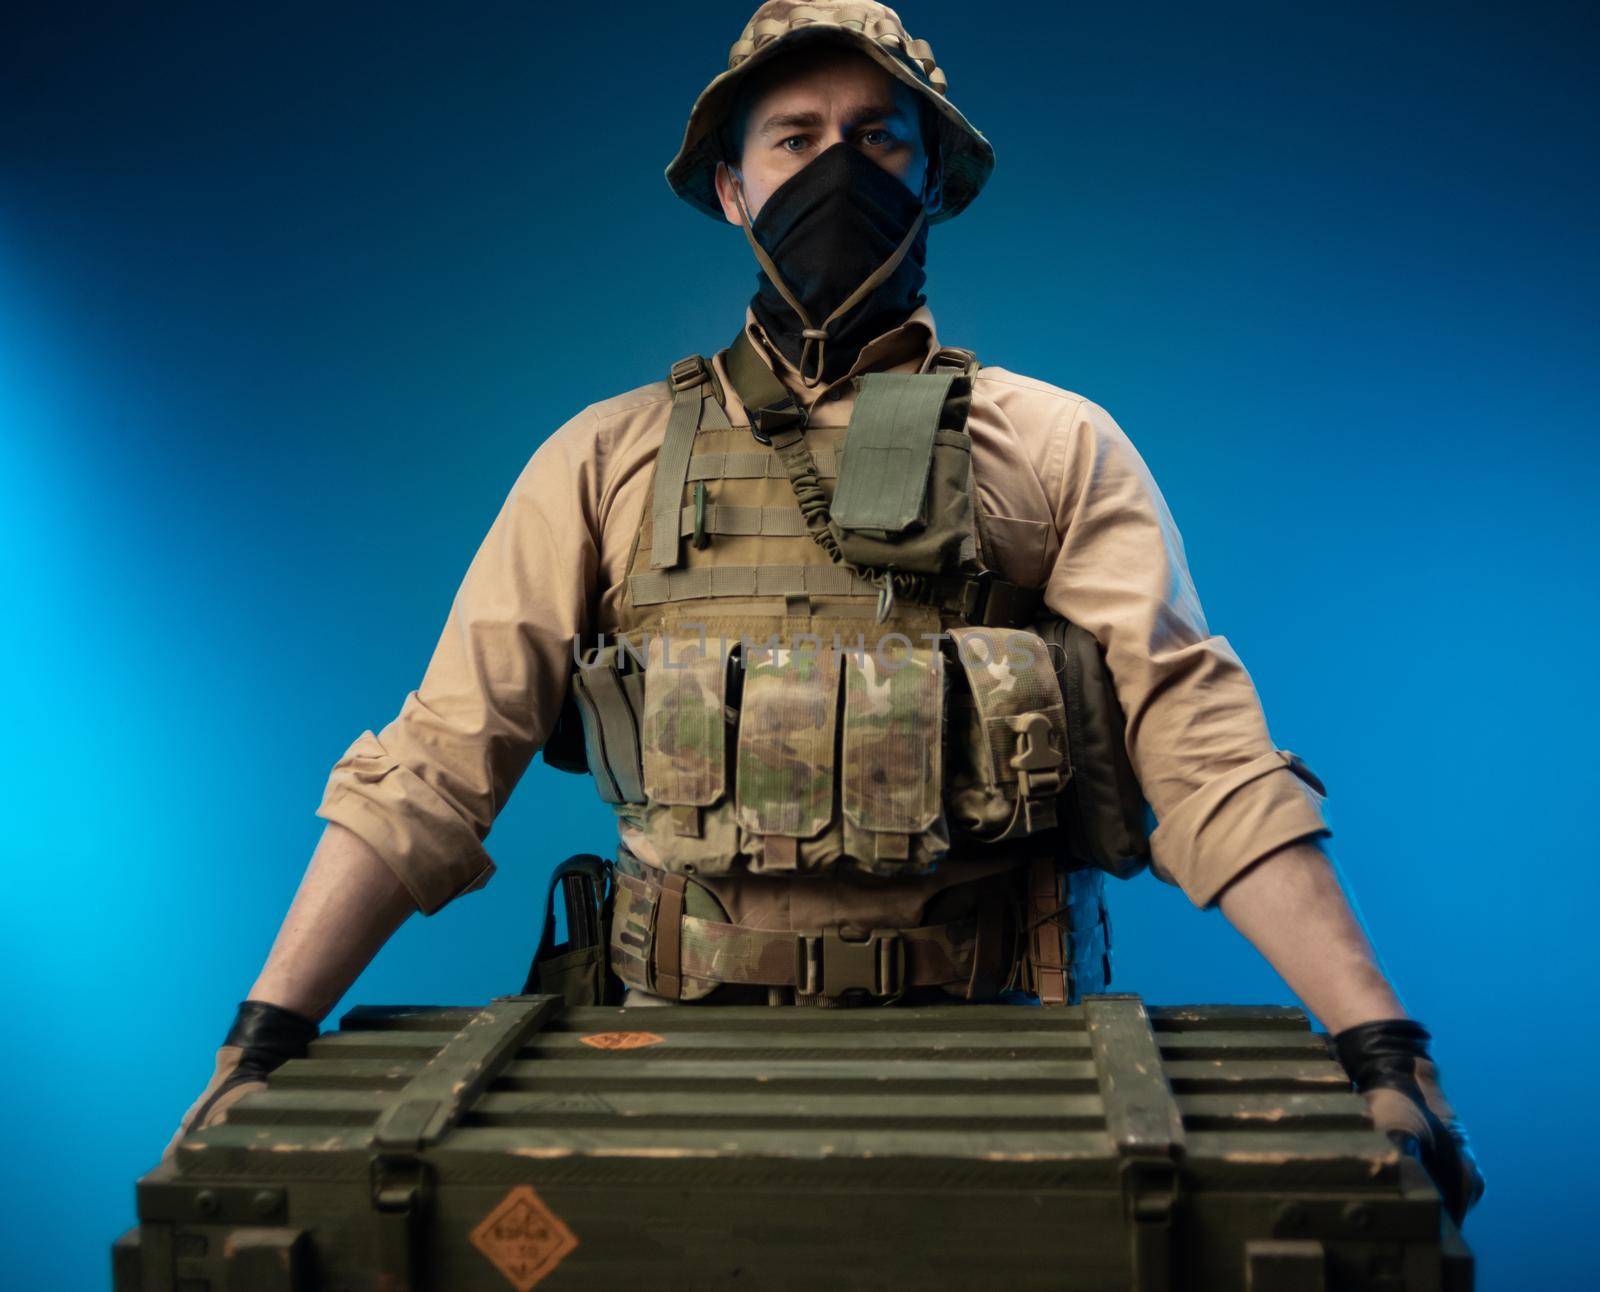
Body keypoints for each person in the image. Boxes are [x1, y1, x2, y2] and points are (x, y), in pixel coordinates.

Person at [167, 1, 1482, 1226]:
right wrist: (265, 1036)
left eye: (877, 138)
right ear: (732, 187)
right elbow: (441, 759)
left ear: (933, 183)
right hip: (665, 1065)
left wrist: (1378, 1039)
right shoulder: (603, 460)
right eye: (793, 139)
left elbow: (1198, 750)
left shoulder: (1054, 445)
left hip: (1000, 1061)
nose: (834, 169)